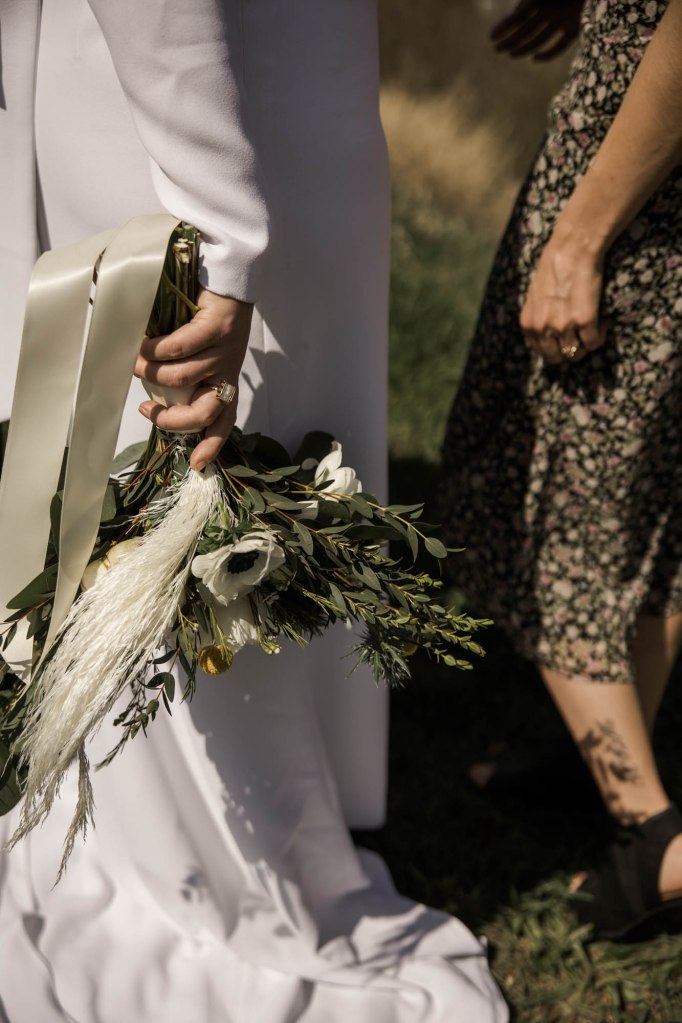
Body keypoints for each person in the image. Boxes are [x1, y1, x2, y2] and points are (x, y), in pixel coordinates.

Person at [0, 0, 508, 1019]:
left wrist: (221, 235)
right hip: (241, 109)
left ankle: (237, 840)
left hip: (186, 133)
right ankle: (234, 831)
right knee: (179, 492)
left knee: (217, 482)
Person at [442, 0, 682, 941]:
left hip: (636, 207)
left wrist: (581, 240)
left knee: (543, 504)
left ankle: (652, 839)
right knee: (653, 511)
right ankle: (590, 765)